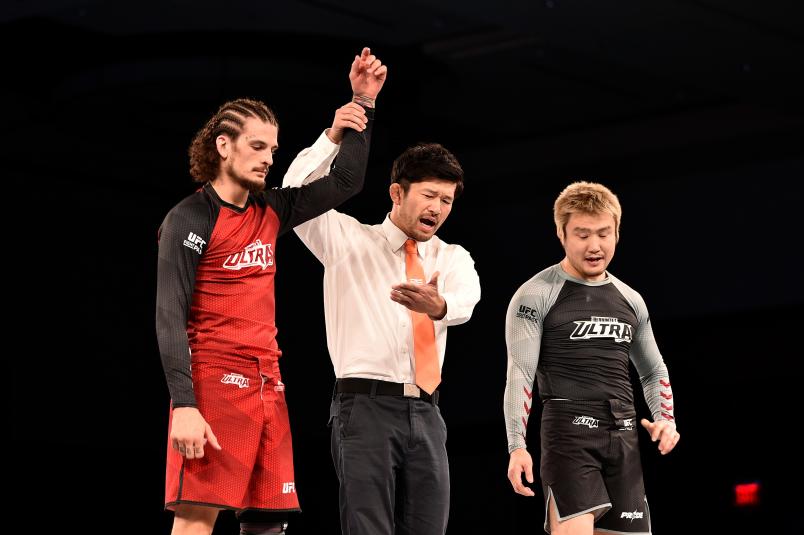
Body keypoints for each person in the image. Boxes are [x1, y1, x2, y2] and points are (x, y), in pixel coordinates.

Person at [155, 48, 387, 535]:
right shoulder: (189, 218)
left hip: (268, 383)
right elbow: (169, 317)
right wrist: (185, 405)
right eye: (258, 147)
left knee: (268, 523)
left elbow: (346, 181)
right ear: (223, 146)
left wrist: (361, 104)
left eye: (273, 151)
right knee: (198, 518)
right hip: (213, 381)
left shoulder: (271, 211)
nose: (268, 159)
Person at [281, 137, 481, 534]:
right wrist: (334, 137)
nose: (437, 209)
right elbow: (294, 192)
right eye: (428, 196)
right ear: (396, 192)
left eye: (446, 200)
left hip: (427, 412)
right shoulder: (348, 241)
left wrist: (437, 307)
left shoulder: (452, 257)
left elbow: (466, 300)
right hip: (364, 407)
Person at [504, 181, 680, 535]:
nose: (595, 246)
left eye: (603, 233)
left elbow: (652, 370)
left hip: (624, 435)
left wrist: (666, 419)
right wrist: (516, 446)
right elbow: (520, 373)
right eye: (582, 235)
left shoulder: (631, 299)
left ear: (617, 231)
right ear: (561, 233)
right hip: (568, 437)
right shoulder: (535, 294)